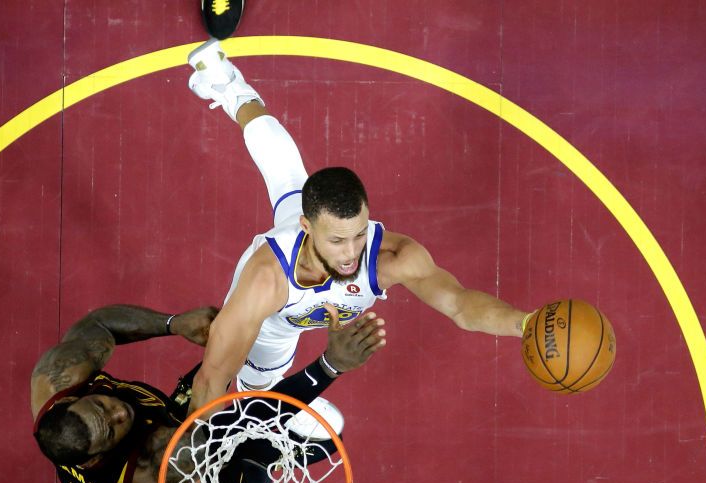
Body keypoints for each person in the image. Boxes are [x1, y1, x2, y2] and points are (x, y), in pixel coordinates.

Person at [184, 39, 534, 415]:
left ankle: (229, 86)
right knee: (255, 387)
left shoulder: (392, 257)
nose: (352, 253)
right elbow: (211, 380)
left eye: (358, 234)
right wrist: (200, 459)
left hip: (307, 252)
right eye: (337, 241)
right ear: (307, 227)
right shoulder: (265, 278)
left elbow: (460, 306)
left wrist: (524, 324)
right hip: (278, 316)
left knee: (286, 170)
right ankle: (229, 86)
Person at [30, 303, 385, 483]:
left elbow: (100, 325)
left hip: (160, 445)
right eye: (112, 429)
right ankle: (275, 456)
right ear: (100, 452)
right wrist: (329, 367)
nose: (119, 412)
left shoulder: (56, 379)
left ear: (66, 401)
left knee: (213, 378)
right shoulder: (154, 468)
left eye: (102, 405)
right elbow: (244, 417)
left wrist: (174, 323)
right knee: (309, 441)